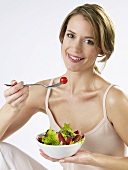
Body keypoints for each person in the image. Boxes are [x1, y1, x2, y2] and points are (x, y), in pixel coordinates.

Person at [0, 3, 128, 170]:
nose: (75, 48)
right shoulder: (45, 92)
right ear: (62, 37)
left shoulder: (112, 99)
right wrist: (12, 107)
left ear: (101, 49)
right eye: (71, 35)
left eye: (88, 41)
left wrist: (90, 158)